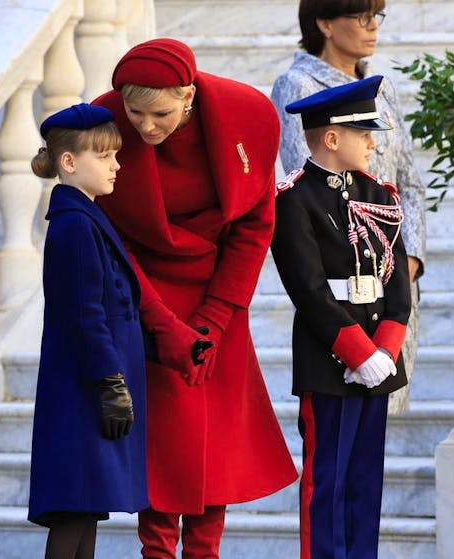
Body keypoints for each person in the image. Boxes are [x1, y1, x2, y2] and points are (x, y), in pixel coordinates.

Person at [91, 38, 297, 558]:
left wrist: (217, 316)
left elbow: (255, 225)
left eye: (159, 113)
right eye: (135, 113)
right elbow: (109, 237)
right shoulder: (103, 120)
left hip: (218, 295)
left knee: (215, 444)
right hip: (145, 296)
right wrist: (160, 324)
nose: (145, 127)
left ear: (188, 96)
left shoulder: (247, 113)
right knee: (161, 441)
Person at [271, 76, 411, 559]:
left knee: (364, 481)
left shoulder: (381, 195)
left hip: (378, 361)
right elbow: (307, 290)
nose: (373, 142)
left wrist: (384, 353)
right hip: (328, 359)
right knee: (326, 483)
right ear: (332, 139)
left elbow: (398, 288)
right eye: (363, 132)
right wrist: (357, 352)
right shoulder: (293, 200)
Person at [271, 0, 425, 414]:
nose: (372, 27)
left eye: (377, 16)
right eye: (361, 17)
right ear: (324, 23)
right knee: (344, 418)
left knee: (378, 413)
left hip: (391, 266)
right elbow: (309, 181)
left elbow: (407, 179)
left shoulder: (381, 86)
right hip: (344, 268)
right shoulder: (298, 83)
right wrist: (365, 256)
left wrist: (408, 255)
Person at [27, 103, 148, 559]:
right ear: (69, 162)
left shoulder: (86, 218)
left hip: (91, 385)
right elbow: (84, 315)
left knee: (85, 509)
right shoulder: (75, 226)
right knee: (74, 510)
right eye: (104, 156)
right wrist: (110, 384)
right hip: (85, 388)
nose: (117, 164)